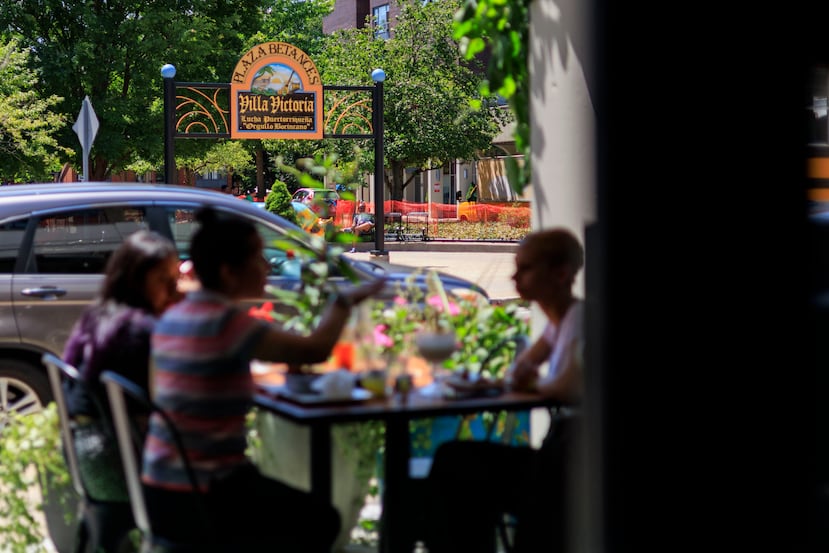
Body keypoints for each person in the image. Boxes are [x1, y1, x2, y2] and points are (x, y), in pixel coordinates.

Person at [142, 207, 386, 550]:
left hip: (161, 487)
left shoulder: (175, 316)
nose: (268, 266)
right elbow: (314, 350)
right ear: (229, 273)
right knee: (322, 521)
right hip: (204, 492)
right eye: (258, 258)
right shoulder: (227, 323)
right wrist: (343, 302)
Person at [424, 227, 585, 553]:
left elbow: (568, 385)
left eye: (525, 268)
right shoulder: (560, 320)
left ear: (560, 274)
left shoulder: (582, 318)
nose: (514, 277)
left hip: (572, 470)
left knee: (457, 465)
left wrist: (526, 382)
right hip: (560, 459)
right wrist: (509, 380)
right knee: (453, 460)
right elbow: (520, 372)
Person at [61, 229, 183, 551]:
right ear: (135, 280)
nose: (174, 289)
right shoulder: (142, 329)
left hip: (81, 454)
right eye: (165, 280)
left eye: (176, 279)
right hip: (120, 462)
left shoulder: (97, 315)